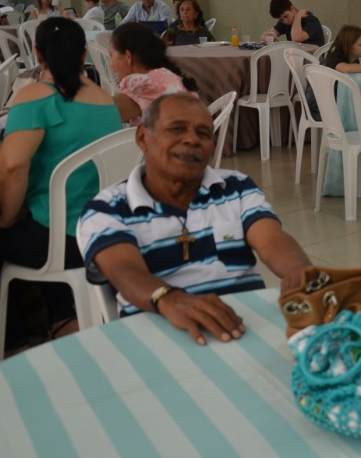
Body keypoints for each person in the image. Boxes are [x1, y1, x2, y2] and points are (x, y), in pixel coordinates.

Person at [78, 93, 314, 345]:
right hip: (158, 333)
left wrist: (301, 274)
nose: (192, 140)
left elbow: (272, 241)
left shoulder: (235, 187)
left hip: (244, 326)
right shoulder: (107, 209)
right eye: (177, 129)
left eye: (203, 133)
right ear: (143, 137)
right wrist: (170, 299)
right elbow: (124, 271)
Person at [0, 18, 121, 351]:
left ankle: (12, 344)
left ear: (36, 53)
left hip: (59, 242)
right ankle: (63, 318)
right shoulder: (105, 99)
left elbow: (10, 166)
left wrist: (7, 218)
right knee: (44, 216)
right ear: (83, 55)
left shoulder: (35, 95)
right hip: (101, 233)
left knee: (5, 235)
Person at [109, 22, 198, 125]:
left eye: (111, 55)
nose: (110, 64)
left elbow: (100, 114)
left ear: (128, 57)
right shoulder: (167, 76)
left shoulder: (141, 84)